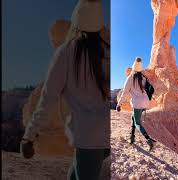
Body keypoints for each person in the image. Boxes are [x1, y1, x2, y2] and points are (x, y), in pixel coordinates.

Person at [20, 0, 110, 179]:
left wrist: (28, 136)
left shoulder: (66, 53)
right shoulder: (108, 52)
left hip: (88, 140)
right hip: (107, 135)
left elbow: (48, 100)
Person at [116, 57, 156, 151]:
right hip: (145, 102)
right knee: (133, 117)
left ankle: (149, 140)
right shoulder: (143, 78)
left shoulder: (131, 77)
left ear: (134, 68)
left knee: (137, 123)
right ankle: (132, 137)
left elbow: (125, 92)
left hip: (138, 103)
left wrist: (119, 104)